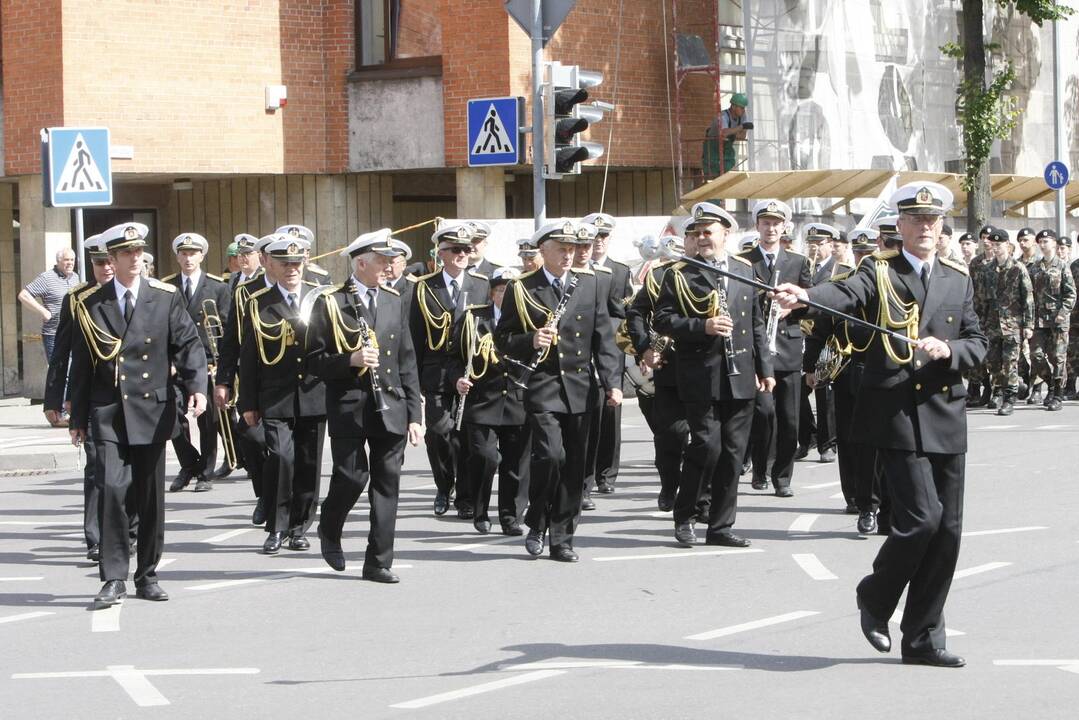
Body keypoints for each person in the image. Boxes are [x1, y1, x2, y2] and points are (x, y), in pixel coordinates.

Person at [774, 182, 987, 667]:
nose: (926, 228)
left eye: (933, 220)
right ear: (901, 226)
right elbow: (844, 294)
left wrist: (951, 350)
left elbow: (977, 339)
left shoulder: (957, 276)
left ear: (941, 226)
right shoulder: (880, 270)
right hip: (895, 413)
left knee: (948, 531)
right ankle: (875, 596)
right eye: (916, 220)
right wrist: (806, 295)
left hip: (945, 411)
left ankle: (923, 637)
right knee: (920, 520)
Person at [68, 222, 208, 609]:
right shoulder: (91, 304)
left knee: (150, 498)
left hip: (151, 407)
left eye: (138, 252)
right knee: (112, 491)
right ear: (110, 260)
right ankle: (114, 576)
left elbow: (189, 344)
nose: (134, 259)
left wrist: (198, 388)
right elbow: (81, 364)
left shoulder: (164, 297)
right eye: (126, 253)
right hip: (109, 410)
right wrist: (77, 416)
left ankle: (147, 574)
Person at [494, 219, 622, 562]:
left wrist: (613, 383)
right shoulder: (521, 288)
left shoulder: (590, 284)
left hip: (581, 387)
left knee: (575, 466)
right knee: (550, 456)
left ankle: (562, 536)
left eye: (573, 249)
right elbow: (502, 340)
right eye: (562, 249)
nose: (569, 256)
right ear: (544, 251)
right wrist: (529, 340)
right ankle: (536, 523)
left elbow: (603, 339)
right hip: (543, 386)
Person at [652, 201, 773, 547]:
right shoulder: (680, 272)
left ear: (726, 234)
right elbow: (661, 320)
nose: (702, 238)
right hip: (700, 374)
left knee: (734, 454)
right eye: (697, 232)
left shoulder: (744, 269)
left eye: (709, 232)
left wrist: (765, 368)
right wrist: (701, 326)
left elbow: (756, 323)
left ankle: (720, 527)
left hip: (740, 374)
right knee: (707, 447)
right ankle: (685, 514)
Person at [308, 229, 422, 583]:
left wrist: (415, 414)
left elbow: (407, 359)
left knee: (387, 483)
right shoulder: (330, 302)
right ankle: (330, 523)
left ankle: (378, 561)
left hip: (391, 403)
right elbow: (313, 362)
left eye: (392, 261)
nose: (390, 267)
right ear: (361, 263)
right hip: (350, 404)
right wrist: (351, 360)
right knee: (352, 475)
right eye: (383, 261)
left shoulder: (393, 299)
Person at [44, 236, 137, 562]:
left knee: (133, 470)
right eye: (100, 263)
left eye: (110, 261)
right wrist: (53, 400)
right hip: (96, 399)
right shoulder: (78, 299)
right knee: (98, 468)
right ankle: (96, 537)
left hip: (136, 398)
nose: (107, 268)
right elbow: (62, 353)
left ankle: (130, 528)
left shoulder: (138, 294)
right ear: (92, 266)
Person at [238, 234, 327, 554]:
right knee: (281, 457)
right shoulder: (258, 302)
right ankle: (276, 526)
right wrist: (247, 402)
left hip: (314, 392)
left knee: (308, 462)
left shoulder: (320, 299)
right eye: (285, 264)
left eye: (297, 263)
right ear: (271, 264)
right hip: (275, 395)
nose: (292, 269)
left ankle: (299, 527)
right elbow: (248, 355)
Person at [803, 230, 883, 531]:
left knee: (878, 440)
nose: (864, 260)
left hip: (880, 370)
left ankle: (874, 501)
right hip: (846, 370)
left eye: (868, 253)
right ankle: (856, 497)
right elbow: (819, 330)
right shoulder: (839, 287)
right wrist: (811, 368)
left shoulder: (890, 287)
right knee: (848, 438)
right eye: (859, 255)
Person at [410, 223, 490, 518]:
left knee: (469, 437)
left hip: (473, 372)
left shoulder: (482, 284)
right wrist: (414, 380)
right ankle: (444, 486)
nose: (462, 255)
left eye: (466, 250)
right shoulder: (424, 286)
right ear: (440, 253)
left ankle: (466, 497)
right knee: (440, 434)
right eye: (455, 250)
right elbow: (415, 335)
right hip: (437, 373)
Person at [740, 199, 812, 497]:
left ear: (784, 227)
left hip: (788, 348)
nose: (771, 228)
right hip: (758, 351)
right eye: (765, 222)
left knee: (789, 419)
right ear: (757, 226)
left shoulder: (797, 262)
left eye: (776, 223)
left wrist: (791, 309)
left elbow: (811, 305)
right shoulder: (743, 261)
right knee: (763, 413)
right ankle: (760, 469)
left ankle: (782, 477)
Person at [451, 267, 528, 536]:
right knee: (484, 458)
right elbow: (453, 357)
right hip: (483, 401)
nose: (505, 295)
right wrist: (456, 380)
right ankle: (480, 510)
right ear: (492, 293)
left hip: (518, 399)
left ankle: (510, 516)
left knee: (516, 464)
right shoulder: (473, 318)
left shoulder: (529, 317)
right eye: (500, 290)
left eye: (510, 290)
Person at [625, 229, 694, 513]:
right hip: (671, 366)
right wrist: (644, 348)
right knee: (671, 435)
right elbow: (636, 312)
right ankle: (669, 484)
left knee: (709, 438)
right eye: (692, 236)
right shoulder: (659, 275)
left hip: (714, 368)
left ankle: (700, 499)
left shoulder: (726, 272)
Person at [160, 233, 231, 493]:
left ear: (202, 256)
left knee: (208, 421)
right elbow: (160, 329)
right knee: (172, 417)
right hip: (177, 364)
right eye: (184, 253)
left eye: (193, 253)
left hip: (208, 364)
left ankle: (206, 472)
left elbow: (226, 331)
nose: (188, 258)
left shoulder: (219, 287)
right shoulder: (166, 287)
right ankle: (188, 463)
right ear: (177, 256)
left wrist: (223, 370)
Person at [215, 234, 277, 522]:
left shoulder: (303, 288)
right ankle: (264, 495)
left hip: (290, 380)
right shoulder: (244, 291)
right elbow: (231, 340)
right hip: (251, 377)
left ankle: (289, 504)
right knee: (251, 436)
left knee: (287, 449)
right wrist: (224, 380)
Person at [581, 212, 633, 499]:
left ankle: (607, 474)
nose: (598, 242)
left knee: (611, 415)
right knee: (588, 415)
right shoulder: (577, 268)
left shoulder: (620, 270)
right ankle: (585, 479)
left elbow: (623, 312)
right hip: (582, 351)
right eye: (593, 237)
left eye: (603, 236)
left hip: (610, 348)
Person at [798, 223, 851, 465]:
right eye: (812, 244)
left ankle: (827, 443)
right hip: (799, 337)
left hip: (827, 338)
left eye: (820, 244)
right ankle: (807, 435)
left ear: (831, 245)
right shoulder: (801, 268)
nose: (815, 249)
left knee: (824, 391)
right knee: (796, 392)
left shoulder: (839, 270)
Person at [974, 229, 1032, 416]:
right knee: (993, 361)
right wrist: (979, 323)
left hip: (1013, 324)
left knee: (1010, 362)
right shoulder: (987, 269)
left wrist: (1029, 326)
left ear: (1007, 245)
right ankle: (1001, 388)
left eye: (999, 245)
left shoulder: (1017, 268)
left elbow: (1028, 299)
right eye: (993, 245)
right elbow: (981, 299)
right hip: (991, 324)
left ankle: (1009, 398)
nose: (996, 248)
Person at [1028, 229, 1076, 411]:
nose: (1042, 244)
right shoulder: (1034, 268)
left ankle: (1057, 394)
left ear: (1054, 243)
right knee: (1036, 355)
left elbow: (1071, 293)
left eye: (1046, 241)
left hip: (1058, 319)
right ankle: (1052, 384)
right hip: (1040, 320)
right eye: (1040, 241)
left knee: (1058, 357)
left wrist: (1063, 313)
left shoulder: (1063, 266)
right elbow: (1029, 295)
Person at [19, 247, 80, 366]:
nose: (70, 263)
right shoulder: (47, 278)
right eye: (66, 260)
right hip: (54, 334)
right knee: (58, 372)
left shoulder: (75, 277)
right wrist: (43, 311)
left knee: (73, 372)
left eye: (72, 260)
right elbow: (23, 295)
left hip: (73, 332)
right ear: (58, 261)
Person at [702, 92, 750, 176]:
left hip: (726, 145)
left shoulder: (742, 116)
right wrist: (741, 127)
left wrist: (740, 129)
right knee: (713, 169)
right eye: (741, 108)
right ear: (733, 106)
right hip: (712, 145)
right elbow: (724, 133)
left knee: (729, 164)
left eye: (744, 108)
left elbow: (742, 136)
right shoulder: (723, 116)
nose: (743, 110)